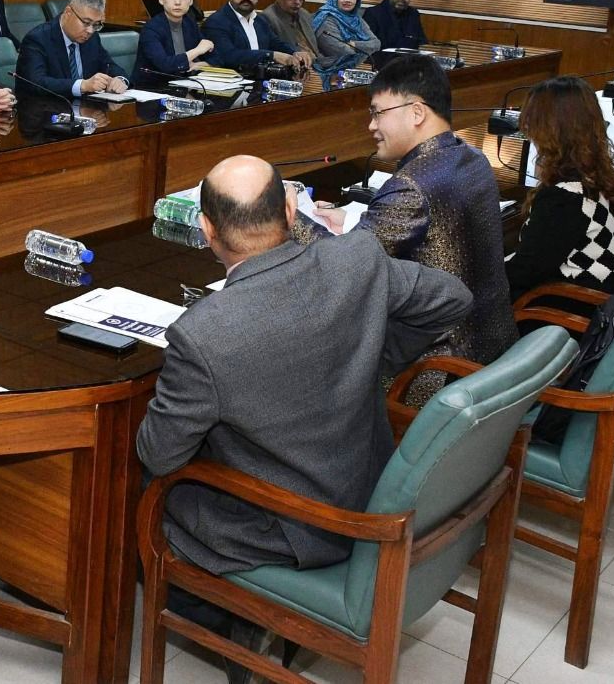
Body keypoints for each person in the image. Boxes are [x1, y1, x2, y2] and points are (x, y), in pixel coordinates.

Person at [136, 155, 471, 681]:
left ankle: (240, 619)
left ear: (206, 230)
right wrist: (373, 355)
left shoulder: (202, 334)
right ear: (291, 212)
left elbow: (160, 453)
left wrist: (373, 354)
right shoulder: (355, 259)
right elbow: (452, 298)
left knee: (139, 492)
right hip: (368, 488)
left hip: (288, 528)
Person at [297, 55, 517, 374]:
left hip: (436, 368)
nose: (371, 125)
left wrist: (289, 216)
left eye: (378, 113)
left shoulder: (412, 185)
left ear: (416, 112)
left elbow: (345, 266)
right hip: (492, 346)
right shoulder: (471, 156)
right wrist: (352, 221)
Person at [506, 77, 614, 304]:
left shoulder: (564, 199)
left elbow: (525, 271)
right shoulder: (599, 179)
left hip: (564, 313)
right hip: (597, 302)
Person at [14, 0, 127, 98]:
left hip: (85, 106)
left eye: (96, 24)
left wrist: (119, 79)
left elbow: (109, 65)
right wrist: (82, 85)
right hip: (46, 106)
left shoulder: (92, 38)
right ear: (68, 12)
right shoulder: (37, 39)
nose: (90, 30)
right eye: (86, 22)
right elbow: (36, 83)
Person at [202, 0, 301, 73]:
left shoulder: (260, 20)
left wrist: (295, 54)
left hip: (262, 77)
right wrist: (271, 55)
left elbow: (275, 43)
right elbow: (228, 56)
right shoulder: (216, 22)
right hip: (234, 79)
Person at [135, 0, 215, 82]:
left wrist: (202, 64)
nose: (178, 2)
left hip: (184, 84)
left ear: (191, 0)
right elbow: (164, 65)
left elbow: (216, 56)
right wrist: (197, 51)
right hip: (153, 87)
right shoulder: (151, 29)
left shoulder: (189, 24)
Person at [311, 0, 381, 75]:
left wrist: (354, 44)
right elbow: (343, 52)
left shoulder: (357, 20)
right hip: (326, 73)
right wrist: (365, 49)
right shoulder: (326, 18)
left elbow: (376, 44)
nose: (348, 0)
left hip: (349, 71)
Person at [260, 0, 318, 71]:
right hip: (294, 69)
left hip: (317, 66)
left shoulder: (304, 14)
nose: (297, 2)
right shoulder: (268, 18)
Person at [363, 0, 428, 52]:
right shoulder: (373, 13)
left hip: (408, 57)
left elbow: (421, 42)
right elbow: (367, 44)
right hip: (381, 57)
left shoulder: (414, 14)